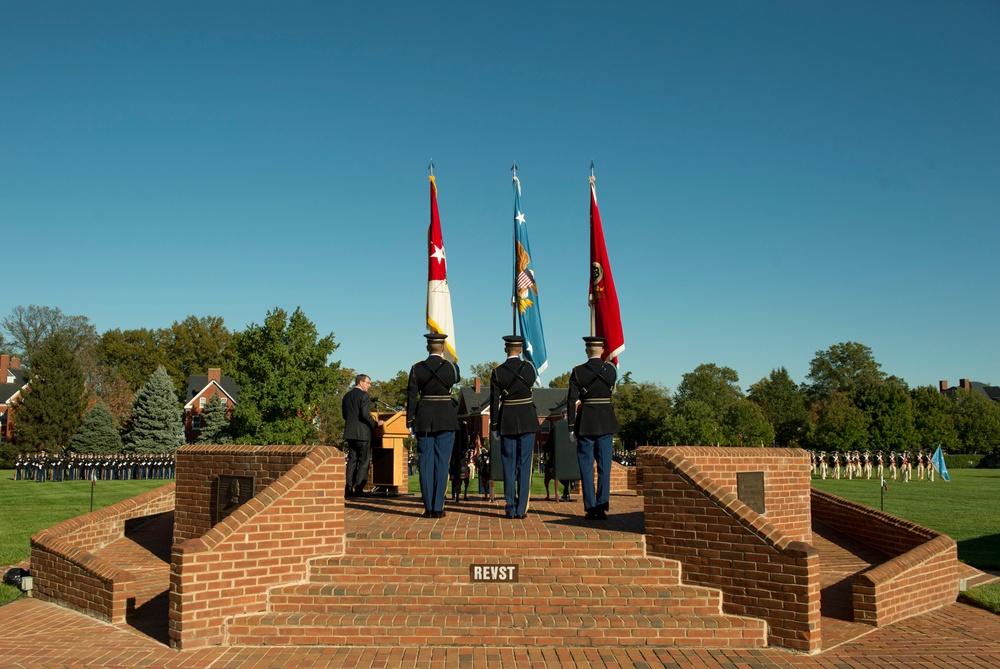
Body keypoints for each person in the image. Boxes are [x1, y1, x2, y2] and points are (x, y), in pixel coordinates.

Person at [406, 333, 461, 518]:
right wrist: (446, 361)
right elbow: (457, 377)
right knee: (442, 463)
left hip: (424, 418)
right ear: (443, 348)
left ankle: (428, 507)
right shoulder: (451, 368)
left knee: (426, 463)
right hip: (446, 417)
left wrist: (409, 421)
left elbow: (411, 397)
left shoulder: (416, 368)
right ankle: (438, 507)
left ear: (427, 347)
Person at [567, 336, 619, 521]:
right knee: (605, 466)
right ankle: (602, 505)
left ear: (586, 351)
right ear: (602, 350)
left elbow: (571, 400)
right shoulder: (611, 371)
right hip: (605, 420)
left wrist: (571, 427)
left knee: (586, 466)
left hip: (586, 421)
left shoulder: (578, 372)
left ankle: (590, 507)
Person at [489, 335, 538, 520]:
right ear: (521, 350)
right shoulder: (529, 368)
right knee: (524, 465)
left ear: (505, 350)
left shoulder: (498, 372)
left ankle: (510, 506)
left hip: (507, 420)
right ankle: (522, 508)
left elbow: (494, 402)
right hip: (527, 418)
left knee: (508, 465)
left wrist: (494, 425)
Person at [341, 374, 384, 497]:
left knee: (352, 461)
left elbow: (345, 415)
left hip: (350, 433)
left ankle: (348, 488)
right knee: (364, 461)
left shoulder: (346, 396)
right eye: (368, 383)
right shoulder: (364, 396)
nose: (369, 386)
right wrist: (376, 424)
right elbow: (365, 415)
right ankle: (359, 488)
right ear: (361, 382)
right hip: (362, 434)